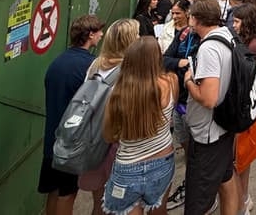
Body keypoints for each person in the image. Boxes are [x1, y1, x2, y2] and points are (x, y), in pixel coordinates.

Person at [102, 37, 177, 215]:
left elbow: (108, 135)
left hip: (128, 166)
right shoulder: (171, 82)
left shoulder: (118, 92)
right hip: (162, 159)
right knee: (159, 210)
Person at [38, 15, 104, 215]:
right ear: (90, 35)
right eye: (99, 31)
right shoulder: (90, 66)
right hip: (71, 142)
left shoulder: (57, 62)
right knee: (67, 194)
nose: (101, 35)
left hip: (52, 138)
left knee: (53, 190)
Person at [183, 0, 239, 215]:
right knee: (226, 179)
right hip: (224, 124)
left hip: (208, 133)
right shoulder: (227, 35)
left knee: (197, 202)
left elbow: (208, 99)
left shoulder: (208, 48)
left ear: (196, 19)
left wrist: (189, 81)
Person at [80, 19, 141, 215]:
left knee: (99, 203)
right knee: (126, 204)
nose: (140, 38)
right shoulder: (130, 72)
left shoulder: (95, 66)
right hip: (118, 144)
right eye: (136, 35)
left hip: (94, 141)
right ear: (128, 41)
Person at [231, 4, 256, 215]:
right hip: (250, 104)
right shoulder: (251, 42)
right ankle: (244, 198)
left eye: (237, 21)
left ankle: (243, 199)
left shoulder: (252, 46)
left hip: (247, 107)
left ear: (246, 23)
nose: (233, 25)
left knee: (242, 156)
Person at [161, 0, 198, 210]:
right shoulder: (182, 35)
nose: (175, 17)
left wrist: (182, 66)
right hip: (178, 101)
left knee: (198, 146)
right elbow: (165, 59)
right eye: (172, 13)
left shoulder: (206, 39)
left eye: (178, 13)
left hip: (194, 101)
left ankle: (197, 186)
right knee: (184, 142)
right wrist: (180, 63)